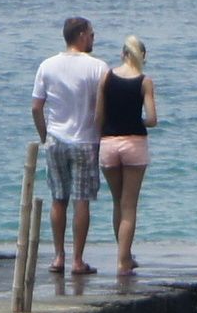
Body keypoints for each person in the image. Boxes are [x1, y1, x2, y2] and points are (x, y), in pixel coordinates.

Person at [30, 17, 109, 278]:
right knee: (81, 200)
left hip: (56, 139)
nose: (94, 39)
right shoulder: (98, 67)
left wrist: (45, 136)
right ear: (81, 35)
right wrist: (102, 134)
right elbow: (103, 108)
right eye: (92, 34)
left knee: (58, 199)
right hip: (85, 140)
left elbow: (36, 107)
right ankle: (77, 260)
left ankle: (58, 256)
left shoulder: (47, 65)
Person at [97, 35, 159, 275]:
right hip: (134, 144)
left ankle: (125, 255)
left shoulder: (106, 77)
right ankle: (123, 261)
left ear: (123, 54)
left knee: (117, 202)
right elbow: (152, 119)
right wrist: (136, 120)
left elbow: (98, 117)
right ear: (142, 56)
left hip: (109, 144)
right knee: (129, 205)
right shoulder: (145, 82)